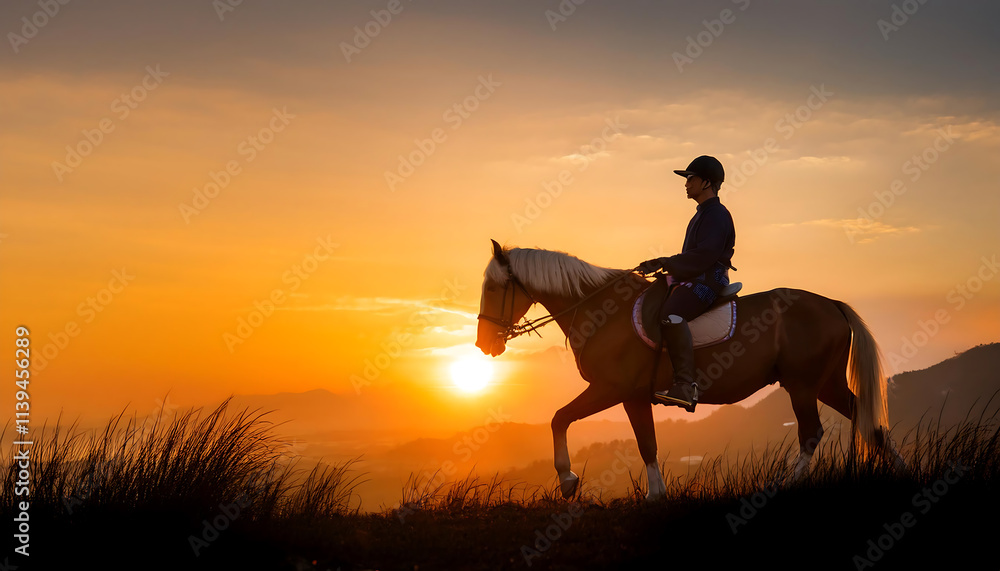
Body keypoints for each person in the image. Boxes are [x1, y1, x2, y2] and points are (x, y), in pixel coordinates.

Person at [636, 155, 736, 412]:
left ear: (706, 183)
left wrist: (666, 262)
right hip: (694, 276)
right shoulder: (703, 214)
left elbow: (705, 255)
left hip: (708, 281)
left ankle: (685, 385)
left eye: (690, 178)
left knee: (671, 314)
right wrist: (662, 266)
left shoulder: (716, 215)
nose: (686, 183)